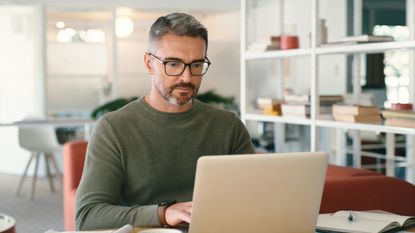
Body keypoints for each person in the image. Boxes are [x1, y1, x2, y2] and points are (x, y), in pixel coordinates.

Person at [75, 12, 255, 230]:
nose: (187, 77)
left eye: (196, 65)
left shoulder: (228, 126)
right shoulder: (114, 128)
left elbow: (251, 199)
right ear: (149, 64)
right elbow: (88, 216)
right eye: (173, 64)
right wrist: (163, 213)